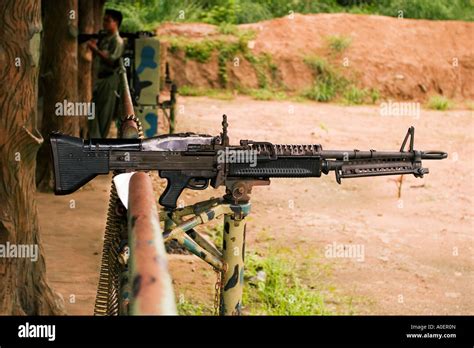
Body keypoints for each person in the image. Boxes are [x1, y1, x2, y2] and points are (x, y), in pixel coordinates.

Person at [87, 9, 124, 138]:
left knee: (104, 114)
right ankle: (95, 141)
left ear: (116, 23)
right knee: (93, 110)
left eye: (108, 20)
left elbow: (111, 61)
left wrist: (95, 49)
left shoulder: (117, 41)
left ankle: (100, 144)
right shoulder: (105, 37)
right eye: (104, 19)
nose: (104, 23)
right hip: (100, 79)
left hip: (109, 80)